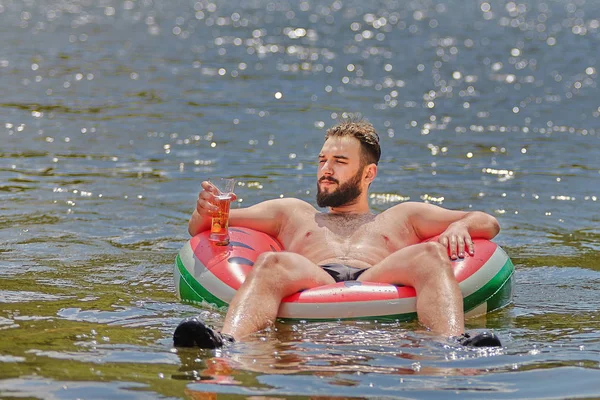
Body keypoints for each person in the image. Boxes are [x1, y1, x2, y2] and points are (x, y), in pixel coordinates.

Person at [174, 119, 502, 349]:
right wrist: (206, 208)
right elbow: (205, 225)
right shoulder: (292, 212)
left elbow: (487, 222)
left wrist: (459, 226)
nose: (326, 169)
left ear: (368, 173)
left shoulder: (403, 216)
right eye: (322, 160)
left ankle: (452, 344)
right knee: (272, 262)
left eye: (340, 161)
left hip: (377, 276)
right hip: (315, 277)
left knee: (431, 255)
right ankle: (227, 341)